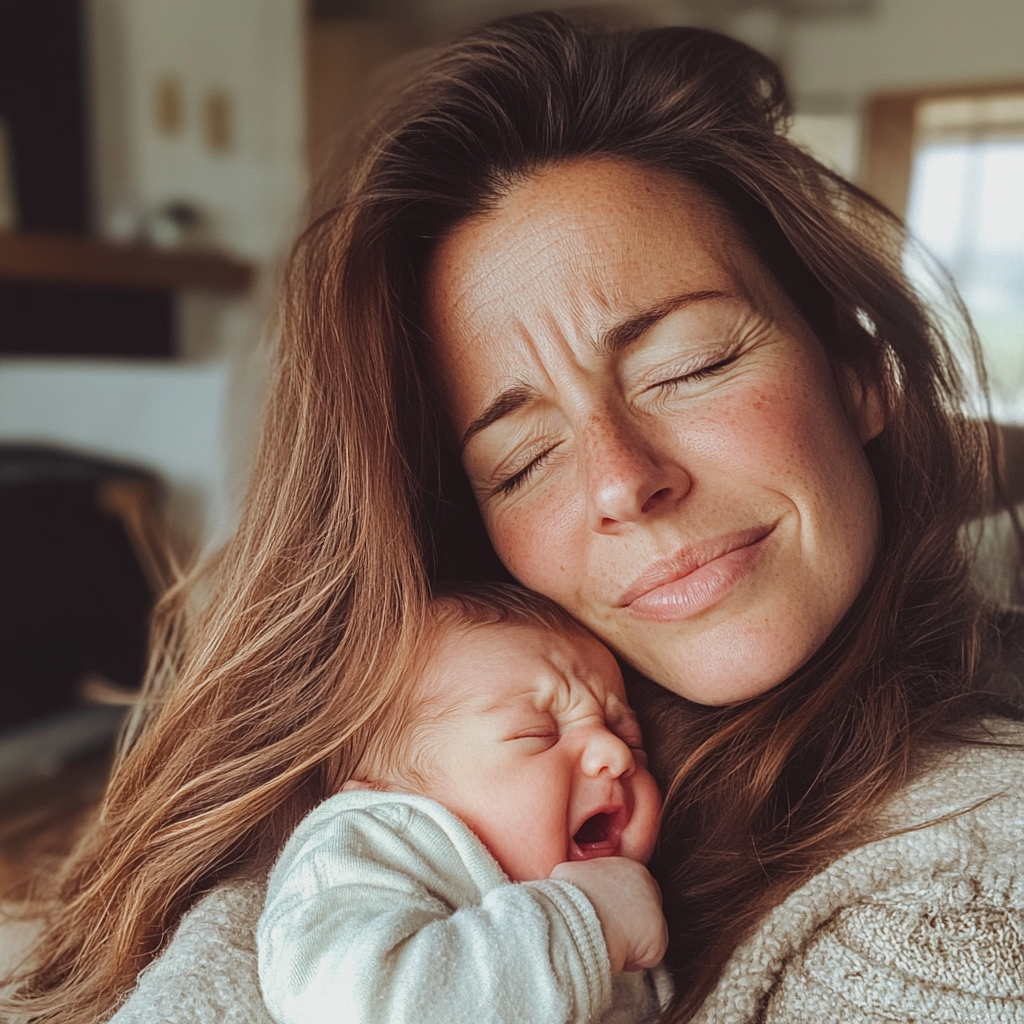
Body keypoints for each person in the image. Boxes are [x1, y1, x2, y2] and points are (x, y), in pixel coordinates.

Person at [3, 12, 1023, 1024]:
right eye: (523, 462)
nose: (621, 480)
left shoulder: (958, 890)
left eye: (690, 366)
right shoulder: (475, 742)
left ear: (856, 374)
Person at [257, 585, 670, 1024]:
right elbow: (360, 1006)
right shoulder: (366, 850)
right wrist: (586, 926)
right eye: (537, 734)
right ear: (385, 794)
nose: (615, 754)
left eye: (628, 737)